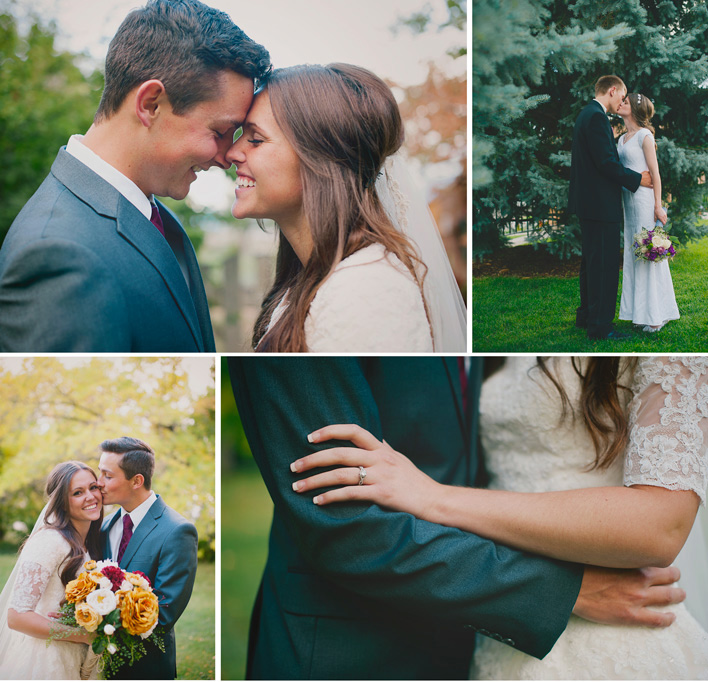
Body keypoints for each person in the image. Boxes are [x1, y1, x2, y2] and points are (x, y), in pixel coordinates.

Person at [228, 357, 684, 680]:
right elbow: (345, 526)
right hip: (348, 653)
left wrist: (436, 497)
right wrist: (562, 590)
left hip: (501, 640)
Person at [0, 0, 271, 352]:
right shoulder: (58, 256)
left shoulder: (152, 212)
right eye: (220, 130)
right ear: (150, 104)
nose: (226, 157)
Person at [226, 63, 466, 352]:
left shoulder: (367, 290)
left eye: (255, 139)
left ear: (319, 160)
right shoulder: (311, 281)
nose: (232, 153)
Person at [98, 437, 198, 680]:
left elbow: (164, 612)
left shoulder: (177, 531)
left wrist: (98, 628)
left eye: (107, 476)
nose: (98, 483)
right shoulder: (105, 526)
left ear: (137, 481)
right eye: (99, 473)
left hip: (147, 667)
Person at [568, 75, 658, 341]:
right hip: (599, 204)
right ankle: (601, 327)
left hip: (589, 203)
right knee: (604, 266)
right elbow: (605, 163)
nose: (622, 100)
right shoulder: (596, 117)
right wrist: (637, 179)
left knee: (591, 263)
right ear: (612, 90)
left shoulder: (588, 114)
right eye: (622, 95)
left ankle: (586, 316)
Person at [0, 461, 104, 680]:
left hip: (75, 659)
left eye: (93, 487)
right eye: (78, 492)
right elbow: (17, 617)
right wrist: (84, 636)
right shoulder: (49, 541)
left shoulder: (91, 544)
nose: (90, 496)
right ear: (63, 503)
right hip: (45, 661)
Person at [617, 93, 680, 332]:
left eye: (625, 101)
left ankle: (657, 315)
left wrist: (657, 206)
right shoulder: (621, 139)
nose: (621, 103)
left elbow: (655, 173)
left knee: (648, 253)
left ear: (634, 108)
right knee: (634, 256)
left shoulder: (645, 135)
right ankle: (639, 313)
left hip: (644, 203)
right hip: (628, 205)